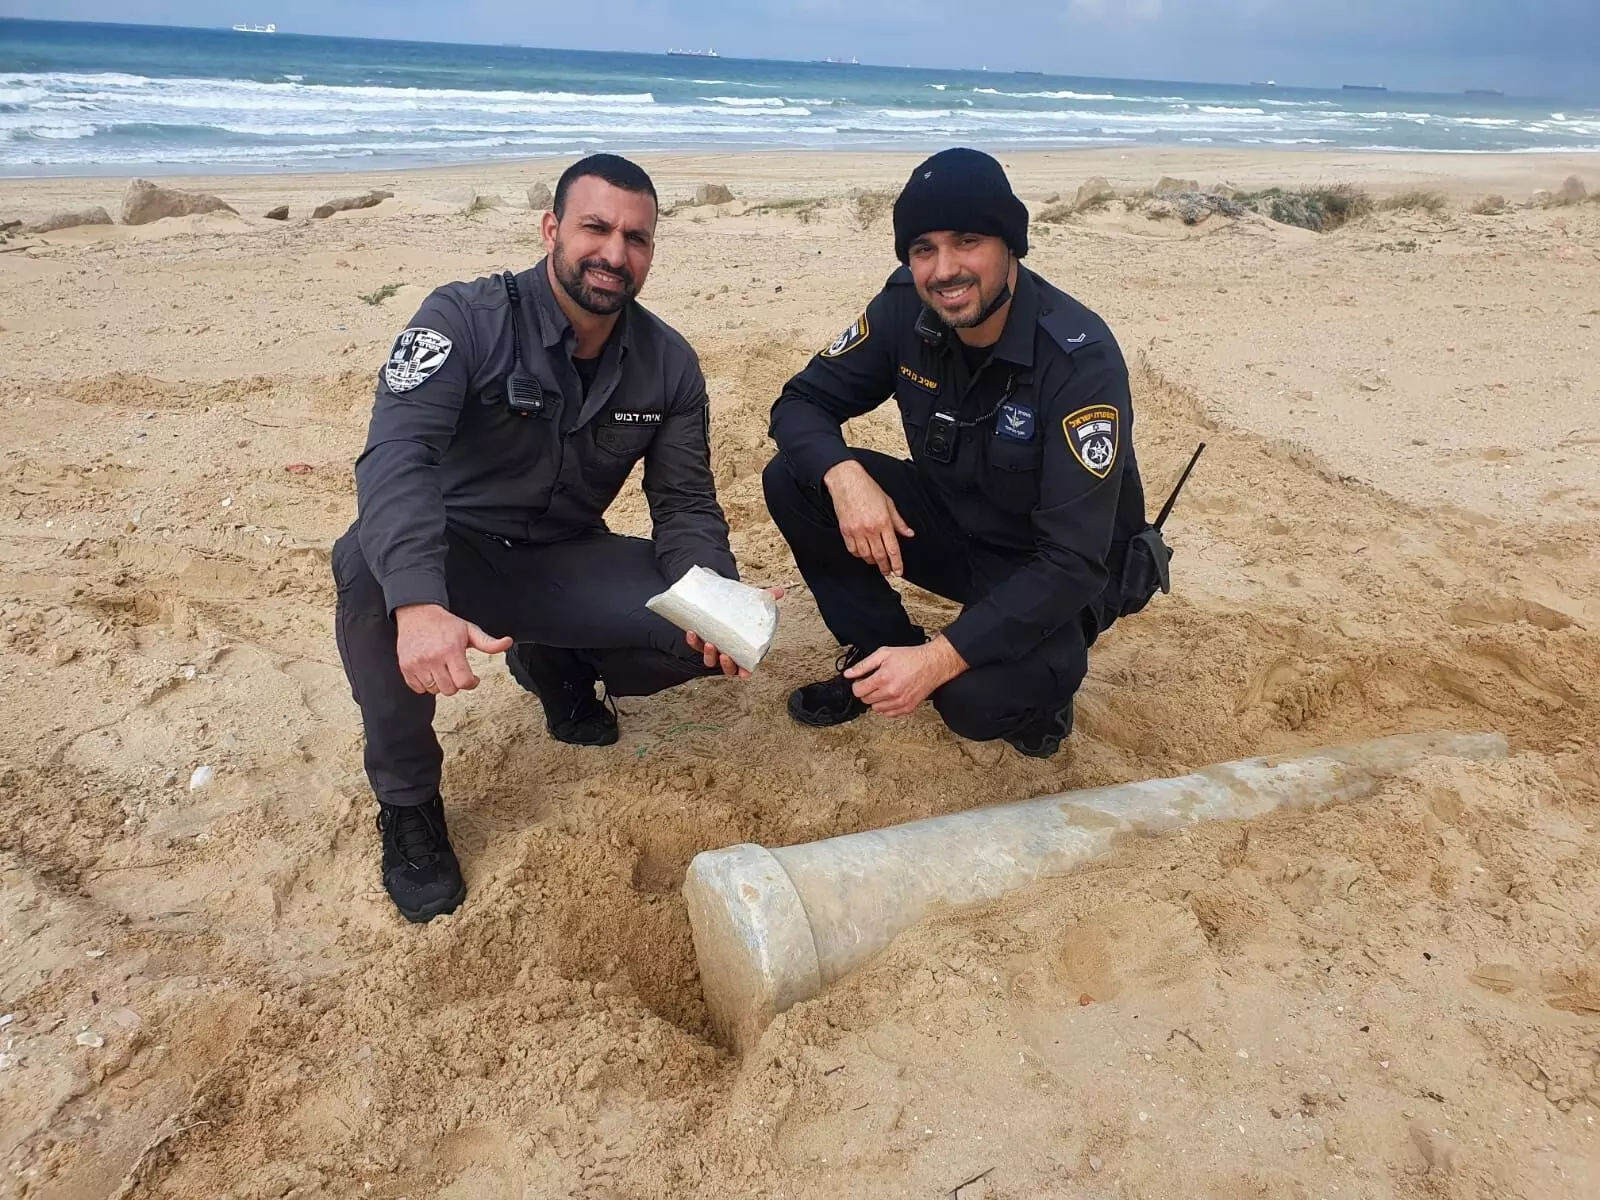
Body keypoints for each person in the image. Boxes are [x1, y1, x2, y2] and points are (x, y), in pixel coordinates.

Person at [334, 153, 769, 923]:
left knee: (708, 634)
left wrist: (717, 596)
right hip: (454, 557)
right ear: (551, 230)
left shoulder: (668, 364)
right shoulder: (461, 318)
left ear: (651, 253)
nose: (614, 253)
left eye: (636, 238)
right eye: (595, 228)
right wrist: (420, 604)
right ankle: (409, 810)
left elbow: (687, 505)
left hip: (563, 557)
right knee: (368, 571)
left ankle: (555, 664)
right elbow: (395, 458)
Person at [763, 147, 1163, 759]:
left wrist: (941, 659)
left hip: (1051, 568)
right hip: (959, 524)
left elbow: (1073, 561)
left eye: (967, 240)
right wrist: (844, 474)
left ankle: (1035, 690)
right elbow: (799, 404)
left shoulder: (1079, 359)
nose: (944, 269)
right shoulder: (904, 307)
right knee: (797, 477)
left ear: (1011, 247)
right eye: (923, 248)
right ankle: (879, 657)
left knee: (976, 701)